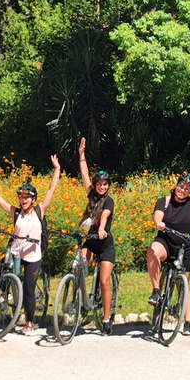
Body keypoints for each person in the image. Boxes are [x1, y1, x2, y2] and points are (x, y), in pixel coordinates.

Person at [0, 156, 61, 336]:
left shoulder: (40, 210)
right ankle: (4, 294)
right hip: (16, 252)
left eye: (27, 197)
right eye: (21, 197)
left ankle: (30, 323)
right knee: (0, 270)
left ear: (33, 199)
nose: (23, 200)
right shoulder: (16, 213)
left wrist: (56, 169)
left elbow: (52, 189)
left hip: (33, 255)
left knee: (29, 289)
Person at [147, 173, 190, 335]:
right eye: (181, 186)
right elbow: (158, 214)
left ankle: (187, 321)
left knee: (183, 283)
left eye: (187, 188)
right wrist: (158, 222)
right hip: (166, 242)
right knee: (153, 251)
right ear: (176, 185)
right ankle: (157, 290)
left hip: (186, 246)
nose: (182, 190)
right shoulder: (164, 201)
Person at [77, 138, 117, 335]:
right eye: (99, 184)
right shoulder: (91, 195)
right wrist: (81, 154)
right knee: (80, 263)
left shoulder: (109, 201)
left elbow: (105, 216)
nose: (102, 187)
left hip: (105, 242)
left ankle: (107, 318)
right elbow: (84, 173)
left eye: (105, 184)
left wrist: (101, 228)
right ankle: (81, 301)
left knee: (104, 281)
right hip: (91, 240)